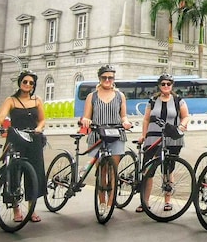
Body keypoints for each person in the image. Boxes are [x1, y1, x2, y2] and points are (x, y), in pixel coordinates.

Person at [0, 70, 46, 223]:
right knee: (13, 173)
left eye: (31, 83)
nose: (28, 85)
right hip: (16, 138)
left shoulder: (37, 100)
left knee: (35, 173)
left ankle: (31, 208)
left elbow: (42, 120)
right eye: (25, 82)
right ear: (20, 82)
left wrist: (39, 128)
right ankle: (16, 208)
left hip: (33, 138)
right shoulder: (11, 100)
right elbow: (1, 116)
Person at [79, 64, 133, 206]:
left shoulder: (120, 96)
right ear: (99, 78)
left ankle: (110, 202)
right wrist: (86, 120)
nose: (107, 80)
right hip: (98, 135)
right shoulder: (92, 96)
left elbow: (123, 116)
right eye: (104, 77)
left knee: (113, 170)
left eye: (110, 77)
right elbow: (86, 116)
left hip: (116, 135)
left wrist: (126, 122)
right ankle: (102, 201)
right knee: (102, 171)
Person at [138, 72, 189, 213]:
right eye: (163, 84)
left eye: (168, 84)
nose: (166, 86)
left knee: (169, 168)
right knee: (148, 170)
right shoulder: (153, 101)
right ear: (159, 86)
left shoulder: (179, 100)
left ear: (172, 85)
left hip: (173, 138)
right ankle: (145, 201)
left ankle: (168, 200)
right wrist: (143, 135)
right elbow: (146, 119)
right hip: (153, 138)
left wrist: (182, 126)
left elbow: (185, 116)